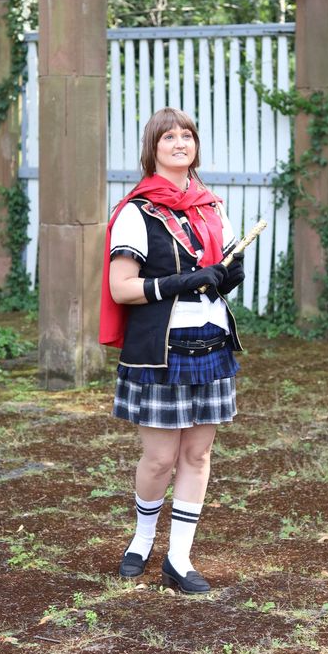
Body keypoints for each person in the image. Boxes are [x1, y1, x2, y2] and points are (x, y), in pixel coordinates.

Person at [99, 107, 244, 594]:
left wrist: (228, 276)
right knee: (161, 458)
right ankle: (141, 540)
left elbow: (218, 271)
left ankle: (178, 558)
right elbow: (121, 288)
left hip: (212, 342)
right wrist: (182, 282)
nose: (180, 143)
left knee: (198, 455)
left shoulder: (211, 207)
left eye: (187, 135)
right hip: (160, 348)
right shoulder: (136, 212)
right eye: (169, 137)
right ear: (153, 148)